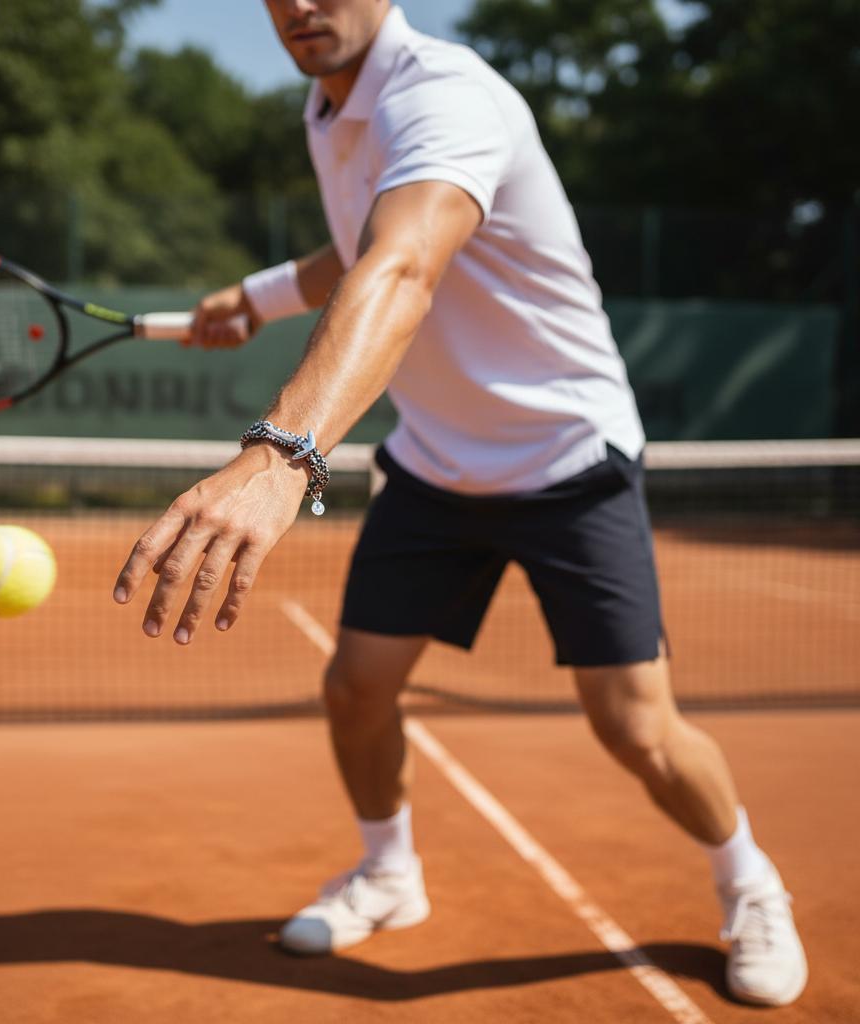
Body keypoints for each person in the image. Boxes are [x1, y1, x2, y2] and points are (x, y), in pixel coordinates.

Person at [113, 1, 807, 1007]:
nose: (300, 5)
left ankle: (750, 885)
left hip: (565, 456)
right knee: (356, 687)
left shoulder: (447, 96)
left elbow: (404, 264)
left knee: (637, 730)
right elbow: (361, 243)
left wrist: (281, 455)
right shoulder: (327, 110)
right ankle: (389, 873)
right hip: (435, 463)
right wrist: (256, 296)